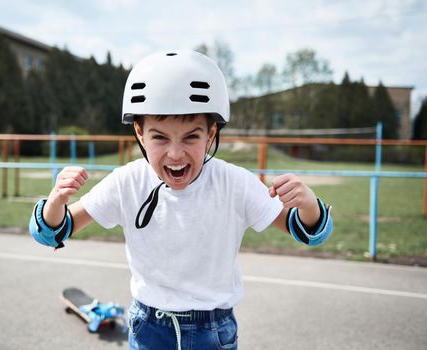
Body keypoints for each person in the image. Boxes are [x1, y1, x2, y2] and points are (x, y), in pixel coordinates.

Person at [29, 50, 333, 350]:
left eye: (191, 137)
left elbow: (305, 231)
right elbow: (54, 231)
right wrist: (56, 202)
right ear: (140, 132)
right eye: (160, 137)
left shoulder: (234, 183)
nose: (175, 154)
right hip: (149, 327)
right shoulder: (128, 181)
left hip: (212, 331)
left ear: (211, 134)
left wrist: (308, 206)